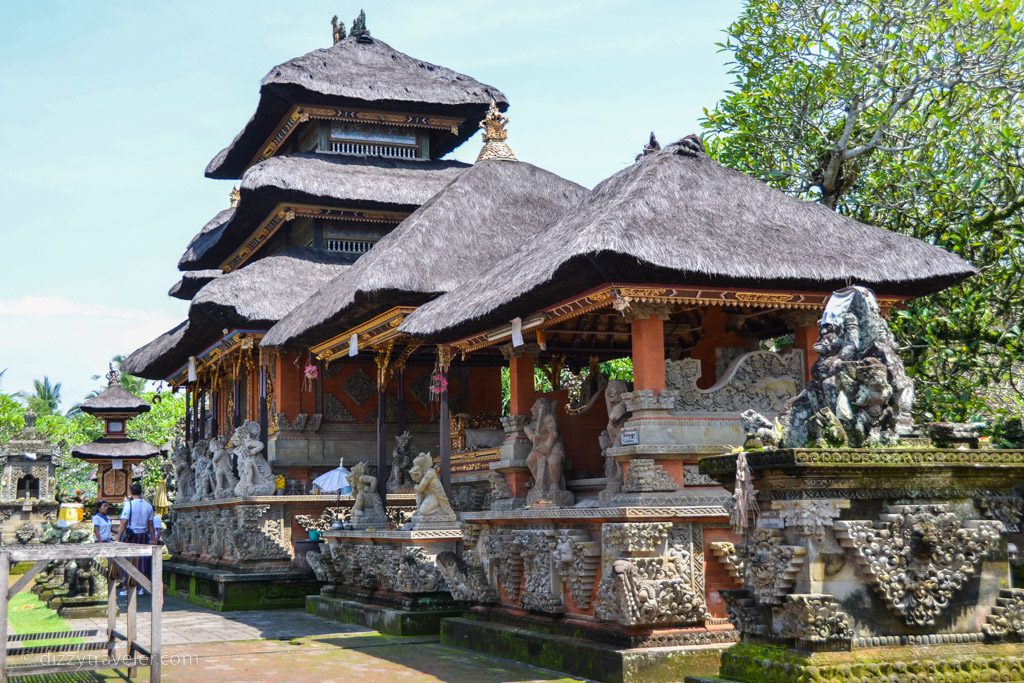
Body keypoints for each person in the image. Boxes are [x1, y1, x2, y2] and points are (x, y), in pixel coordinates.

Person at [118, 482, 157, 596]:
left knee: (126, 559)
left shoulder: (129, 504)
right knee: (141, 561)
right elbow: (150, 524)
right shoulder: (148, 505)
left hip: (131, 535)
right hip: (143, 535)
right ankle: (139, 586)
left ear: (131, 492)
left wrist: (118, 536)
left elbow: (124, 522)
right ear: (141, 492)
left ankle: (127, 586)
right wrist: (153, 538)